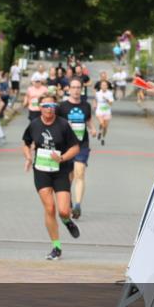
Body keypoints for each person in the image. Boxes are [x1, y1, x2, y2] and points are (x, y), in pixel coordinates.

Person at [22, 93, 81, 261]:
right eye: (46, 106)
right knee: (50, 209)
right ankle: (56, 247)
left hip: (61, 170)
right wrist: (28, 157)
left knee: (63, 210)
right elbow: (26, 143)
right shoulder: (34, 125)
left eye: (53, 106)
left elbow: (75, 147)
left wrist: (62, 158)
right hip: (41, 171)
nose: (50, 109)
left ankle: (67, 221)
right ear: (40, 107)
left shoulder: (63, 125)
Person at [58, 79, 96, 220]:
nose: (76, 90)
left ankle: (78, 205)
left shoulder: (86, 105)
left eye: (78, 87)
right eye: (73, 87)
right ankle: (68, 201)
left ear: (81, 89)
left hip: (82, 144)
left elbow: (88, 120)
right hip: (66, 146)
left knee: (79, 173)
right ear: (68, 89)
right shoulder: (62, 107)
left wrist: (92, 128)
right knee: (68, 177)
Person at [93, 79, 114, 145]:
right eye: (102, 85)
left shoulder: (110, 93)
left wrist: (107, 99)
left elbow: (111, 103)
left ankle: (102, 137)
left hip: (107, 111)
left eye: (105, 85)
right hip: (99, 111)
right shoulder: (98, 93)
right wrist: (94, 104)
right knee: (102, 123)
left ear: (107, 86)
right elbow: (95, 100)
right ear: (100, 86)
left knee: (105, 127)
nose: (104, 86)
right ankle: (100, 131)